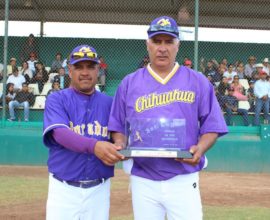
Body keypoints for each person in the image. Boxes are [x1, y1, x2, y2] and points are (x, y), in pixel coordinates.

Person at [108, 16, 228, 220]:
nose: (162, 48)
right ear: (148, 45)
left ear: (177, 45)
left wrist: (201, 148)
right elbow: (117, 125)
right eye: (157, 41)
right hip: (143, 177)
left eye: (168, 41)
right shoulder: (129, 83)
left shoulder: (197, 81)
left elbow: (212, 125)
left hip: (183, 175)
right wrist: (121, 144)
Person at [43, 44, 124, 220]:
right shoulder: (57, 99)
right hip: (63, 190)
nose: (85, 72)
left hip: (99, 191)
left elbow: (118, 132)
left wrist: (120, 143)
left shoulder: (109, 103)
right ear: (69, 71)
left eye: (90, 67)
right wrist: (94, 146)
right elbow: (60, 133)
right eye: (79, 67)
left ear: (98, 70)